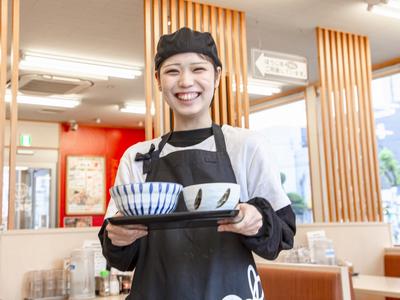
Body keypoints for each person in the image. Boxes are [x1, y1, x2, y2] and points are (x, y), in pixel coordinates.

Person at [98, 27, 296, 300]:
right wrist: (118, 238)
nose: (185, 81)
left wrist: (258, 221)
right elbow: (120, 256)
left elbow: (283, 234)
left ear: (217, 76)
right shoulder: (137, 156)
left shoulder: (247, 147)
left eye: (198, 69)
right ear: (158, 80)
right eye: (172, 71)